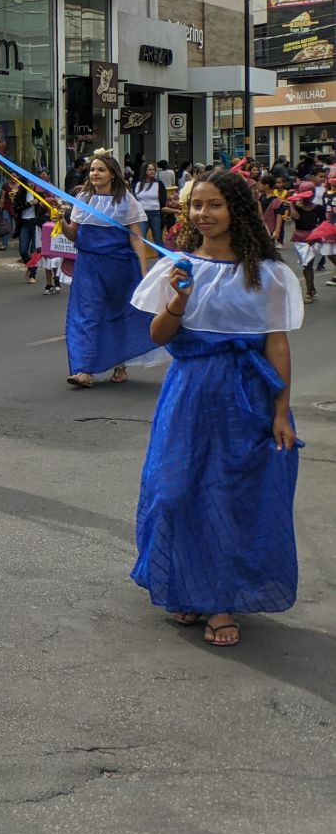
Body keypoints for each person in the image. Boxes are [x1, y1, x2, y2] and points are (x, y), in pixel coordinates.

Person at [128, 169, 302, 649]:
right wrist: (179, 299)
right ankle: (186, 581)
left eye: (214, 205)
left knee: (229, 498)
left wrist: (281, 411)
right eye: (196, 205)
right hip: (190, 392)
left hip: (248, 396)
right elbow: (158, 335)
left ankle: (220, 602)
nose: (203, 214)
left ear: (236, 210)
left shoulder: (268, 274)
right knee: (174, 490)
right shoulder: (178, 266)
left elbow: (277, 345)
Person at [61, 152, 159, 389]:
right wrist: (61, 220)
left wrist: (143, 270)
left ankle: (119, 364)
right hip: (88, 265)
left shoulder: (126, 200)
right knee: (85, 314)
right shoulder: (83, 198)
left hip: (120, 265)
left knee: (118, 315)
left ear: (113, 174)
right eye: (92, 170)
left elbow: (136, 237)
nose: (95, 173)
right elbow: (73, 234)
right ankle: (84, 370)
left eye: (101, 170)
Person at [132, 163, 167, 247]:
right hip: (142, 214)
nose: (152, 171)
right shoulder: (138, 184)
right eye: (150, 170)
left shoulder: (158, 183)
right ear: (144, 171)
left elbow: (163, 199)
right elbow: (135, 199)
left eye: (153, 170)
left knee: (157, 239)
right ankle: (140, 255)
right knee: (141, 238)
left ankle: (162, 255)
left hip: (155, 213)